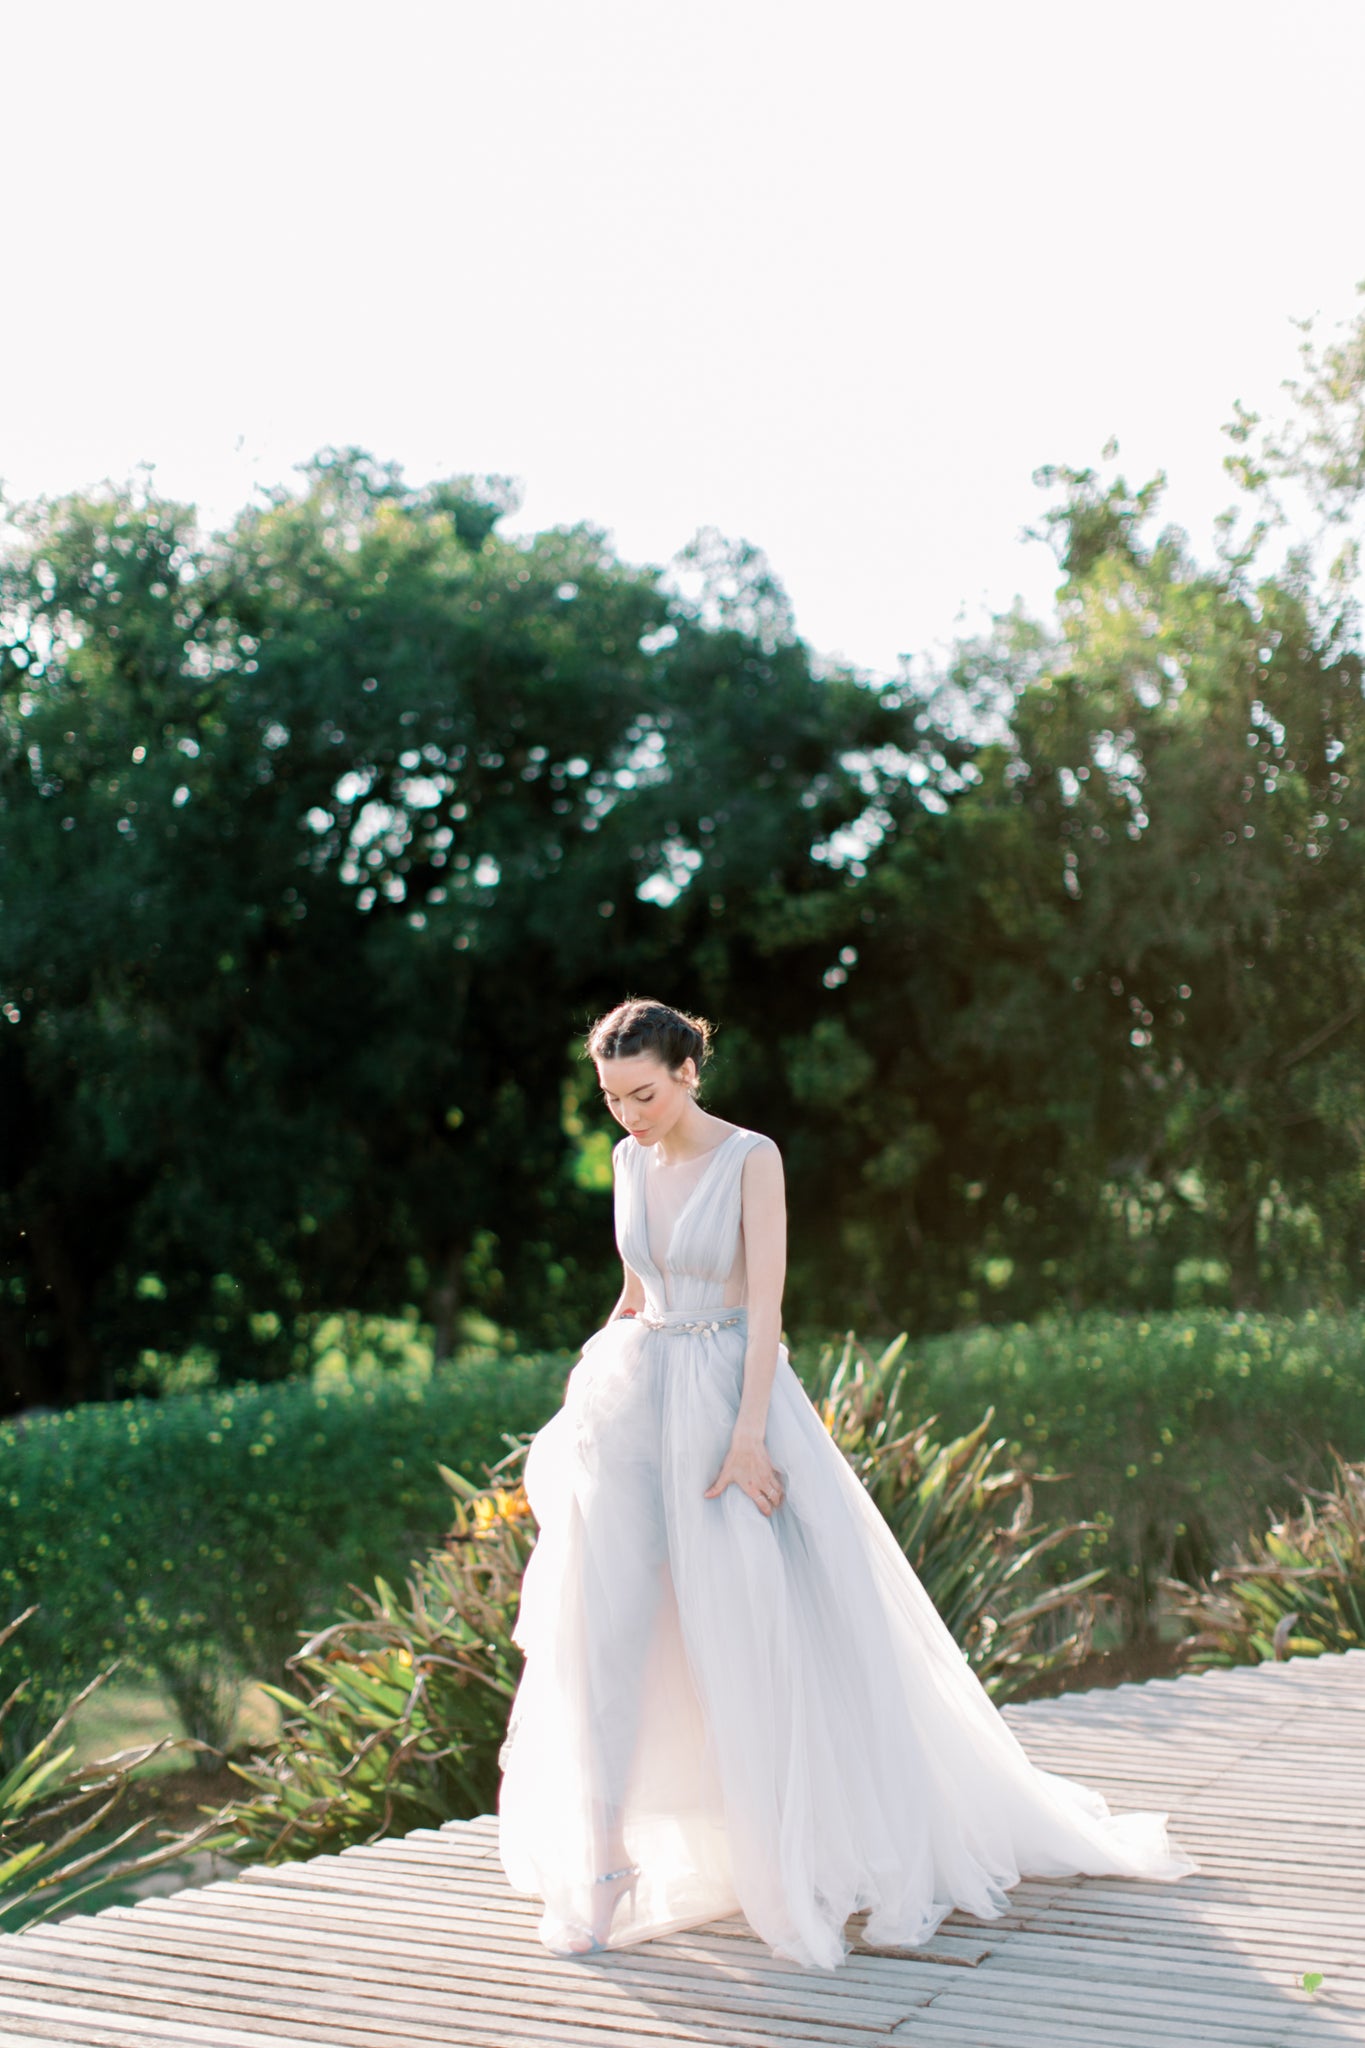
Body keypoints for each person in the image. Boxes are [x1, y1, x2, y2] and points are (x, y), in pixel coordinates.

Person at [497, 998, 1196, 1968]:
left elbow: (767, 1308)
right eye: (614, 1098)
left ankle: (791, 1856)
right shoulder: (624, 1160)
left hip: (732, 1404)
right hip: (636, 1403)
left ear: (690, 1070)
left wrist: (748, 1438)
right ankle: (606, 1860)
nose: (630, 1115)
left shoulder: (753, 1159)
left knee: (755, 1632)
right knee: (606, 1630)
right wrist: (591, 1387)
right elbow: (634, 1290)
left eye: (644, 1093)